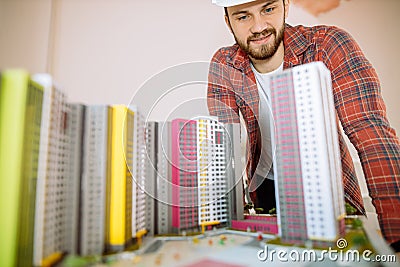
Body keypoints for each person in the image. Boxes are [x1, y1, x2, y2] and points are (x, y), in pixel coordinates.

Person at [207, 0, 400, 251]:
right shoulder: (225, 64)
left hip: (331, 196)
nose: (259, 27)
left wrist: (397, 233)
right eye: (243, 17)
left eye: (268, 9)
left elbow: (370, 132)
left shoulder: (327, 44)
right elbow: (223, 150)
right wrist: (232, 219)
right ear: (228, 21)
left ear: (286, 5)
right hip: (266, 196)